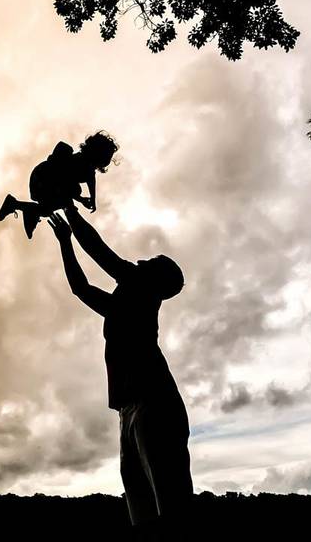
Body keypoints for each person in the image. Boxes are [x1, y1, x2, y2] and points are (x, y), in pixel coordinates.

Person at [47, 206, 192, 541]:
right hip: (128, 410)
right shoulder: (121, 307)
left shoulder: (142, 290)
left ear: (155, 281)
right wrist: (64, 241)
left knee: (170, 504)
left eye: (151, 262)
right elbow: (80, 288)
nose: (142, 262)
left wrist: (70, 207)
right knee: (140, 506)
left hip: (155, 402)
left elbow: (99, 251)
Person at [0, 131, 118, 238]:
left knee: (48, 209)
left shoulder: (85, 169)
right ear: (96, 154)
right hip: (42, 179)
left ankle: (28, 211)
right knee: (66, 200)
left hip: (44, 182)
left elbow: (83, 182)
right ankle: (21, 207)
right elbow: (71, 183)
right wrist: (86, 199)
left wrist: (87, 199)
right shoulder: (79, 164)